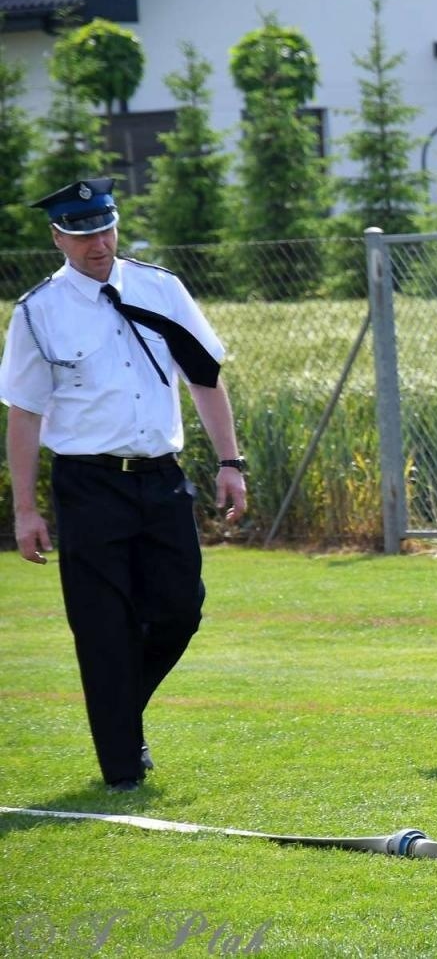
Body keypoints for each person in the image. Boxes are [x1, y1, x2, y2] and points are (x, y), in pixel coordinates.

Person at [1, 178, 247, 793]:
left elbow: (204, 377)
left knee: (180, 611)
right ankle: (121, 766)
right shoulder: (37, 312)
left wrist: (230, 462)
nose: (99, 245)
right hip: (88, 485)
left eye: (106, 230)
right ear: (58, 238)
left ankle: (118, 711)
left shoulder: (162, 289)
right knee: (102, 628)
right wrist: (26, 510)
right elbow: (24, 414)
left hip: (161, 478)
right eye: (82, 235)